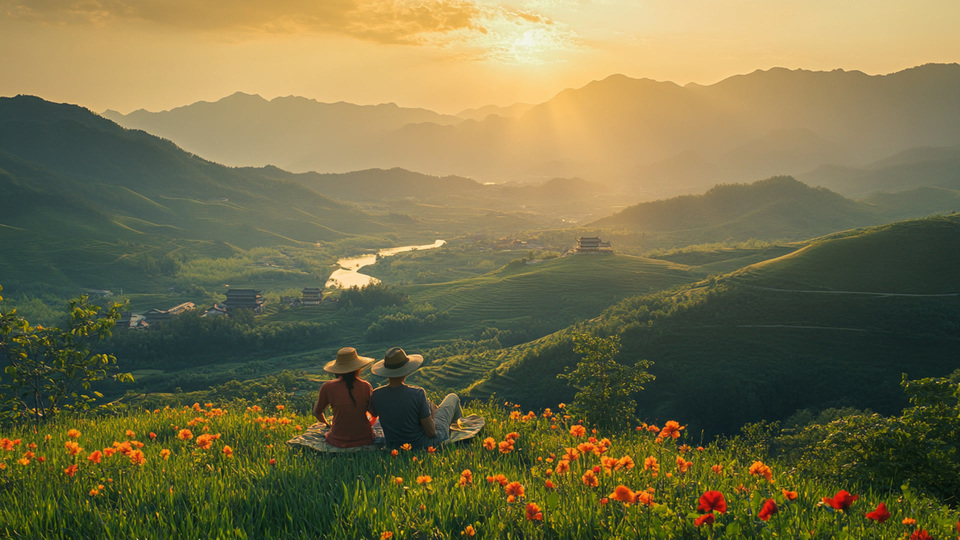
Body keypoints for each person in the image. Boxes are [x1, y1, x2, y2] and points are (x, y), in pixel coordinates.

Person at [369, 347, 462, 449]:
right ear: (406, 370)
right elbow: (431, 432)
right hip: (424, 444)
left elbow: (375, 413)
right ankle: (460, 433)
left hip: (393, 445)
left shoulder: (377, 394)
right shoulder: (417, 394)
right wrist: (431, 414)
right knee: (452, 397)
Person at [313, 347, 377, 448]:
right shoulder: (365, 386)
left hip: (336, 440)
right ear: (358, 368)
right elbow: (374, 414)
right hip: (365, 439)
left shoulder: (327, 387)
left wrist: (327, 424)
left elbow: (317, 412)